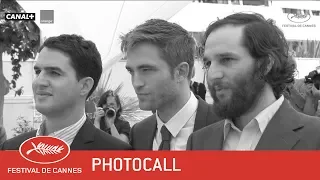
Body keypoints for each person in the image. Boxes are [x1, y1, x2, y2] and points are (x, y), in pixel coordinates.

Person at [187, 13, 320, 150]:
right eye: (208, 63)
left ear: (266, 64)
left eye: (227, 59)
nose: (212, 74)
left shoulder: (315, 137)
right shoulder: (198, 141)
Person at [1, 34, 131, 150]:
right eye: (38, 72)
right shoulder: (11, 149)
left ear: (85, 86)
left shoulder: (115, 155)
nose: (39, 82)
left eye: (54, 73)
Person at [121, 19, 220, 150]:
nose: (136, 83)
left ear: (181, 72)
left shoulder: (225, 127)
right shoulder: (139, 132)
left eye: (146, 70)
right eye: (131, 71)